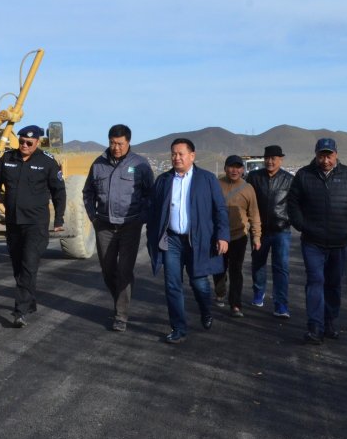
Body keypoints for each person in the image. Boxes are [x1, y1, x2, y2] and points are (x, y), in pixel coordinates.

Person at [0, 125, 67, 328]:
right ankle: (30, 302)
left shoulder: (47, 162)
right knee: (18, 266)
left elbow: (59, 192)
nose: (24, 145)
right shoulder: (8, 159)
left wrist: (59, 219)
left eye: (29, 143)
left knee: (29, 265)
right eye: (21, 142)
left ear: (37, 142)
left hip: (36, 223)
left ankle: (19, 312)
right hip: (13, 222)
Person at [147, 138, 230, 344]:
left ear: (192, 156)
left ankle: (205, 310)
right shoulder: (164, 180)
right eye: (173, 154)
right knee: (172, 284)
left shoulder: (207, 179)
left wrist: (222, 235)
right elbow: (153, 209)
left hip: (198, 241)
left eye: (181, 154)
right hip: (172, 240)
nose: (176, 157)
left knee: (199, 283)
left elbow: (220, 209)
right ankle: (178, 328)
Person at [287, 138, 347, 345]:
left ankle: (329, 321)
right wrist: (301, 225)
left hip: (339, 241)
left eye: (329, 156)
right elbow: (292, 202)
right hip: (312, 241)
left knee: (334, 283)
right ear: (316, 155)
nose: (325, 160)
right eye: (321, 155)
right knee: (315, 281)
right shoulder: (304, 175)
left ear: (336, 155)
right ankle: (315, 326)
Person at [82, 124, 155, 332]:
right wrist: (93, 217)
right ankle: (120, 300)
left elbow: (151, 194)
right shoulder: (98, 164)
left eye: (120, 143)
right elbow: (88, 192)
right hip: (104, 226)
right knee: (107, 270)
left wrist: (142, 218)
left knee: (124, 270)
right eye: (112, 143)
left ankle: (121, 315)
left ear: (128, 142)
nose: (116, 147)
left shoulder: (140, 164)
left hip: (130, 225)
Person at [246, 144, 294, 318]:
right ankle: (259, 292)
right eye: (267, 158)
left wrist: (290, 220)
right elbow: (247, 200)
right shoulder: (254, 177)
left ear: (281, 160)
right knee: (258, 263)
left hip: (282, 230)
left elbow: (295, 203)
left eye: (273, 158)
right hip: (259, 230)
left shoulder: (289, 179)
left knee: (281, 267)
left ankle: (281, 304)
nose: (270, 162)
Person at [216, 155, 262, 318]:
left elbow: (254, 214)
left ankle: (235, 304)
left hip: (239, 236)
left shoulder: (248, 188)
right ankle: (220, 291)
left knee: (236, 270)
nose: (234, 170)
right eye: (231, 167)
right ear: (225, 168)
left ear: (242, 170)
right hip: (218, 236)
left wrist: (256, 236)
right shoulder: (216, 185)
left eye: (238, 167)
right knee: (219, 269)